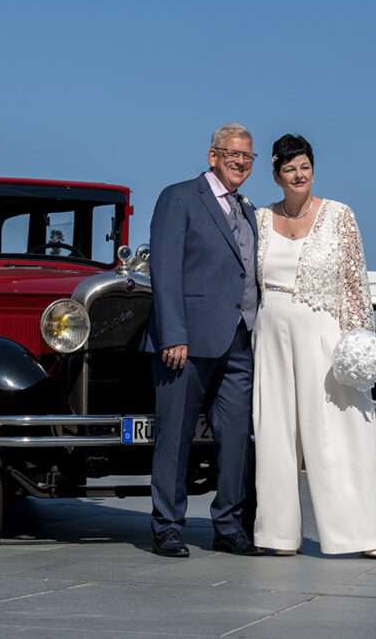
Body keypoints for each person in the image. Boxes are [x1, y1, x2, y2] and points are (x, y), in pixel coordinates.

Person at [251, 133, 376, 558]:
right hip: (270, 331)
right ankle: (277, 534)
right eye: (289, 168)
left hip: (324, 332)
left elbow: (354, 281)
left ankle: (360, 535)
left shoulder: (339, 215)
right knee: (274, 432)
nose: (299, 175)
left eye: (305, 166)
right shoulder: (257, 219)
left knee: (338, 432)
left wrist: (358, 342)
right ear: (276, 175)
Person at [144, 123, 261, 558]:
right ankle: (168, 526)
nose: (239, 162)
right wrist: (173, 333)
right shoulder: (179, 198)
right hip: (187, 342)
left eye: (247, 157)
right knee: (174, 437)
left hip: (239, 340)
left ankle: (228, 526)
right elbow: (165, 269)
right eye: (231, 154)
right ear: (212, 155)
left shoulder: (248, 209)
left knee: (236, 439)